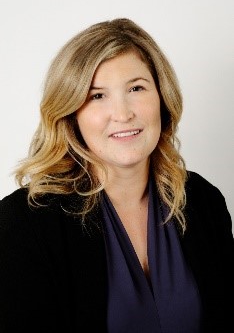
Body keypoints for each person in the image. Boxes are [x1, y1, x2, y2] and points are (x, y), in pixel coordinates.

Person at [0, 18, 233, 333]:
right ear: (71, 114)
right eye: (97, 96)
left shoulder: (203, 201)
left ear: (162, 98)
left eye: (136, 88)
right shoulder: (23, 223)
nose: (123, 114)